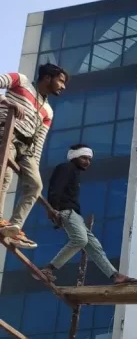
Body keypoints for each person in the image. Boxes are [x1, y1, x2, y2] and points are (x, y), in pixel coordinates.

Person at [39, 145, 137, 285]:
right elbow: (55, 189)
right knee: (80, 240)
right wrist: (54, 210)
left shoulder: (74, 172)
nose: (87, 162)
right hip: (66, 211)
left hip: (74, 214)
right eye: (84, 157)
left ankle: (115, 275)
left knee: (94, 246)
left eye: (90, 159)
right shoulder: (66, 168)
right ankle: (49, 268)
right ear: (74, 156)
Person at [0, 63, 68, 249]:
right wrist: (6, 101)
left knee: (36, 184)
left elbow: (39, 141)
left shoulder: (48, 111)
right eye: (60, 81)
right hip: (6, 133)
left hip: (26, 148)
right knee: (4, 174)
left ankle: (14, 228)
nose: (63, 86)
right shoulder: (20, 80)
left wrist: (33, 167)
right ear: (47, 78)